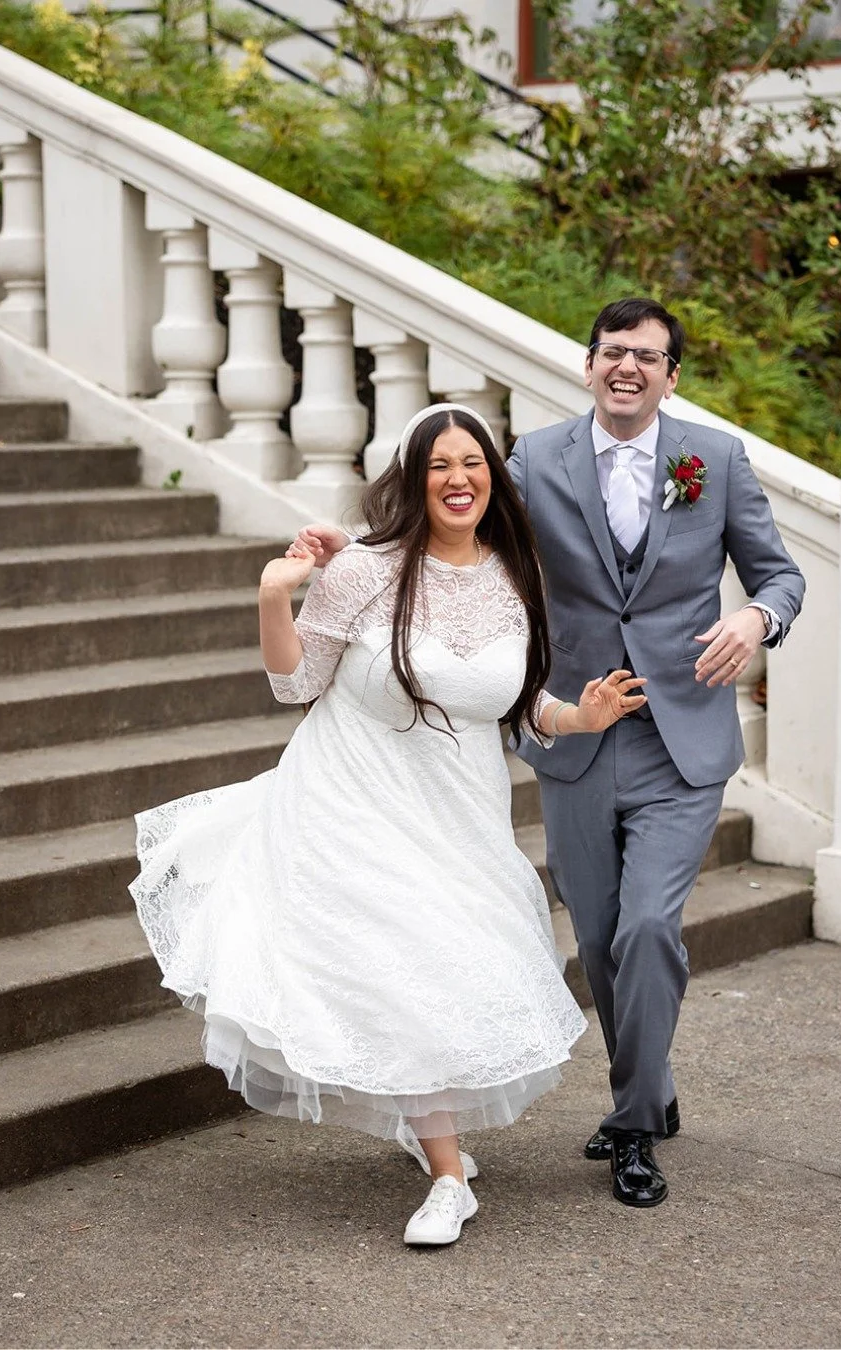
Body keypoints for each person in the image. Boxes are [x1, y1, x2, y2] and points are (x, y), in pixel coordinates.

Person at [292, 298, 805, 1210]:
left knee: (648, 927)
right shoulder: (533, 458)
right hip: (574, 732)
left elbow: (780, 573)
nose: (628, 367)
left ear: (672, 375)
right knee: (600, 935)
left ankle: (633, 1124)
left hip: (682, 737)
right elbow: (462, 528)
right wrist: (360, 555)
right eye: (614, 351)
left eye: (648, 355)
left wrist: (757, 617)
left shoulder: (716, 460)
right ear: (589, 364)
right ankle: (651, 1080)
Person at [130, 403, 649, 1248]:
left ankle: (425, 1127)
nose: (458, 479)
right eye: (439, 465)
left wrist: (581, 717)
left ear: (493, 479)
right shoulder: (363, 571)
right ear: (413, 480)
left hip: (460, 815)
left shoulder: (515, 576)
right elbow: (295, 684)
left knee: (440, 970)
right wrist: (273, 596)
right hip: (352, 799)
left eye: (472, 463)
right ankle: (449, 1179)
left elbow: (520, 707)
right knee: (403, 967)